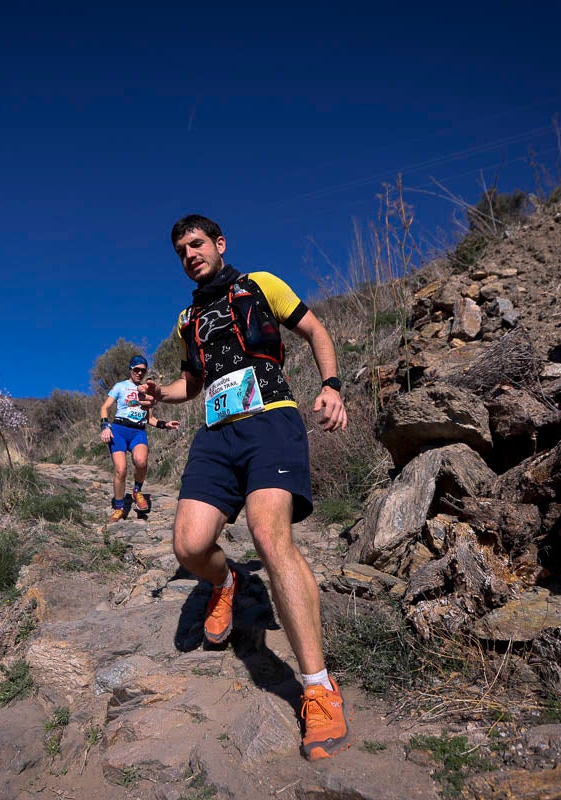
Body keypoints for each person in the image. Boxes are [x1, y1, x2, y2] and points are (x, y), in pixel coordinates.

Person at [138, 214, 350, 760]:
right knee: (188, 545)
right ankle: (226, 583)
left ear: (219, 244)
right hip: (214, 436)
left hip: (269, 422)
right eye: (181, 249)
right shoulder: (188, 318)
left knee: (270, 537)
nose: (190, 254)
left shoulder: (260, 284)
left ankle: (318, 688)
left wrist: (331, 386)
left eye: (197, 243)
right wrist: (162, 391)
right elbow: (194, 381)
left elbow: (315, 330)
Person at [100, 355, 180, 522]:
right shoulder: (120, 386)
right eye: (136, 369)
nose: (139, 373)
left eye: (142, 370)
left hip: (138, 431)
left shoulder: (147, 390)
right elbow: (105, 407)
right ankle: (119, 507)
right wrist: (105, 426)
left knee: (141, 462)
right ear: (130, 369)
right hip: (119, 429)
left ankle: (137, 491)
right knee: (121, 470)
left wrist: (165, 424)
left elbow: (150, 418)